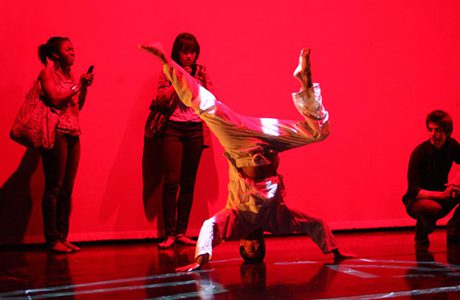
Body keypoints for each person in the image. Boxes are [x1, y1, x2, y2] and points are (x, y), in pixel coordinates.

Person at [140, 43, 353, 271]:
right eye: (259, 248)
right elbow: (315, 224)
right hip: (266, 137)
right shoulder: (276, 219)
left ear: (241, 243)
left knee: (207, 107)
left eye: (251, 248)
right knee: (318, 132)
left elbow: (209, 227)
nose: (255, 245)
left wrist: (200, 260)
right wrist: (336, 252)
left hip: (239, 140)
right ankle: (305, 80)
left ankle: (168, 62)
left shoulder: (234, 220)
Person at [147, 33, 213, 249]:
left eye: (193, 52)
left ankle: (182, 232)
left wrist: (200, 84)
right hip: (173, 128)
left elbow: (212, 101)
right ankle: (170, 233)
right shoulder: (169, 71)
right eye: (185, 52)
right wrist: (179, 79)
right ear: (178, 52)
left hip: (194, 128)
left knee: (188, 183)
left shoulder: (201, 71)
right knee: (171, 181)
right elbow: (160, 99)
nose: (189, 56)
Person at [37, 36, 94, 253]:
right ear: (54, 55)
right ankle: (52, 239)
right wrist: (78, 85)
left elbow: (77, 105)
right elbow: (54, 99)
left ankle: (63, 236)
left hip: (73, 133)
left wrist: (84, 88)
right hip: (56, 133)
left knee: (67, 189)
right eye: (68, 50)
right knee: (54, 187)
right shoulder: (47, 74)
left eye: (73, 49)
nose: (73, 53)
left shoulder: (70, 76)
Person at [403, 110, 460, 247]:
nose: (433, 134)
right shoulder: (420, 153)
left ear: (447, 132)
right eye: (430, 130)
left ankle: (454, 230)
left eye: (438, 130)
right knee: (431, 208)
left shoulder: (452, 146)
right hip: (419, 199)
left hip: (442, 193)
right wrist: (441, 195)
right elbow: (413, 190)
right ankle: (421, 236)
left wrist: (456, 183)